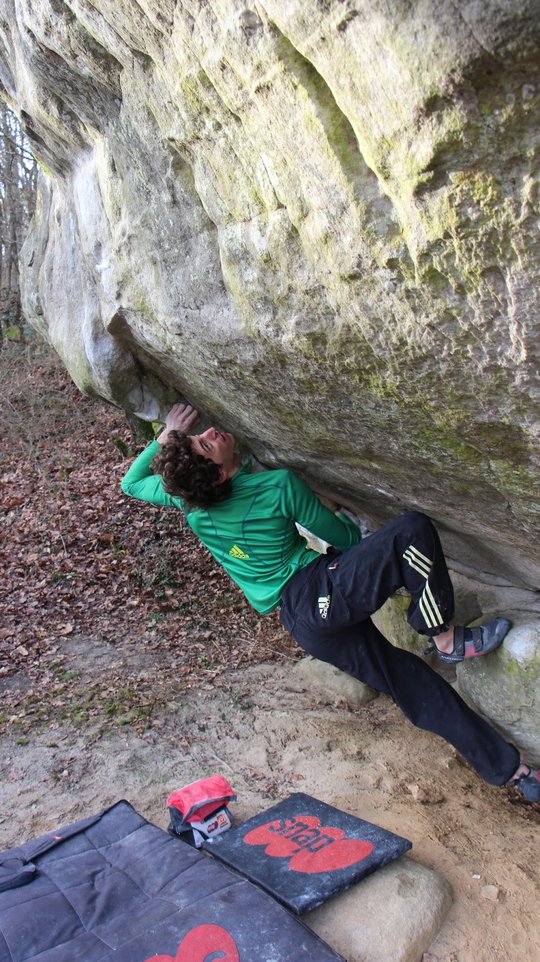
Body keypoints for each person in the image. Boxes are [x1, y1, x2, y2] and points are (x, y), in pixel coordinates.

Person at [121, 402, 540, 803]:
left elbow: (131, 483)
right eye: (206, 444)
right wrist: (340, 518)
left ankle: (512, 771)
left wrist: (168, 438)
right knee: (412, 531)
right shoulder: (276, 486)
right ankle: (446, 638)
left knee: (411, 683)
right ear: (217, 476)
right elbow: (345, 540)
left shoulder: (188, 499)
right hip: (317, 592)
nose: (210, 432)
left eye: (202, 436)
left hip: (303, 624)